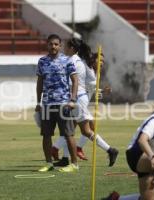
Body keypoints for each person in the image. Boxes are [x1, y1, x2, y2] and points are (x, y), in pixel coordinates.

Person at [102, 95, 154, 200]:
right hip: (136, 155)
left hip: (150, 158)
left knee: (149, 198)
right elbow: (142, 140)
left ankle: (116, 199)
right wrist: (152, 157)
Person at [51, 38, 119, 167]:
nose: (63, 48)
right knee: (69, 130)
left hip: (76, 99)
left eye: (65, 46)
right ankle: (65, 158)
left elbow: (72, 82)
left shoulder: (73, 61)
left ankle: (110, 150)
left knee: (86, 131)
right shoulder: (78, 61)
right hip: (77, 98)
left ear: (71, 48)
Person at [35, 34, 79, 172]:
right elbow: (40, 82)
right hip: (47, 104)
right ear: (47, 45)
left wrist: (72, 99)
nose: (53, 46)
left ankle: (74, 164)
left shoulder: (67, 60)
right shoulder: (42, 61)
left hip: (63, 103)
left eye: (56, 44)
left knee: (68, 134)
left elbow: (75, 80)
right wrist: (38, 102)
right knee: (46, 134)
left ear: (60, 46)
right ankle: (49, 163)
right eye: (50, 44)